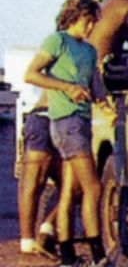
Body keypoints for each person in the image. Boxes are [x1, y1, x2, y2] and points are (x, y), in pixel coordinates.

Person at [24, 0, 111, 267]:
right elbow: (31, 73)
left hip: (83, 121)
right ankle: (98, 253)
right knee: (93, 188)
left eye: (93, 22)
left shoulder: (89, 50)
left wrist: (109, 107)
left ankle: (68, 255)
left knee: (70, 191)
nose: (90, 27)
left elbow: (96, 85)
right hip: (66, 122)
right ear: (76, 16)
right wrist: (66, 87)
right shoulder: (57, 41)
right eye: (87, 21)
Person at [17, 92, 62, 260]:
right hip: (46, 117)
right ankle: (29, 242)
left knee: (76, 184)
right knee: (34, 183)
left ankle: (45, 230)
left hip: (61, 120)